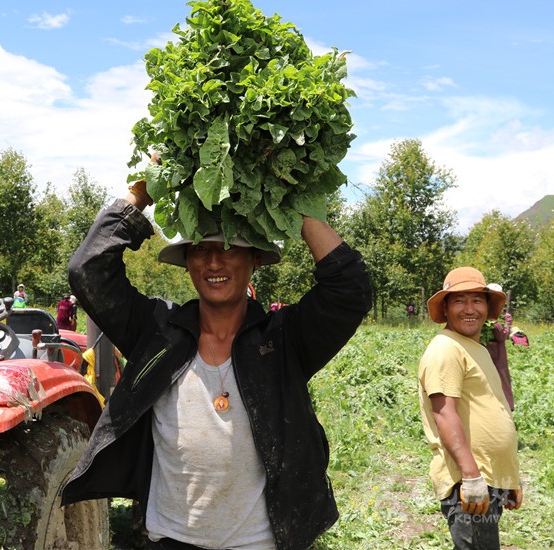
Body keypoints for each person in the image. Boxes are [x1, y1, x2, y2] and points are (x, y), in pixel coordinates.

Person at [60, 176, 372, 550]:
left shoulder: (282, 341)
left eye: (228, 248)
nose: (213, 262)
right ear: (187, 262)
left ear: (255, 259)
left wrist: (295, 198)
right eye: (200, 250)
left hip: (260, 543)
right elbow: (87, 270)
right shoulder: (157, 333)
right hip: (172, 541)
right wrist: (144, 191)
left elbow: (350, 290)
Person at [418, 267, 522, 549]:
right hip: (469, 481)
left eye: (477, 300)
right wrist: (472, 476)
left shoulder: (475, 349)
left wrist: (508, 477)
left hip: (487, 478)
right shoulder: (446, 349)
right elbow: (444, 413)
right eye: (459, 300)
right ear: (445, 308)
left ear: (487, 307)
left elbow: (489, 410)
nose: (469, 309)